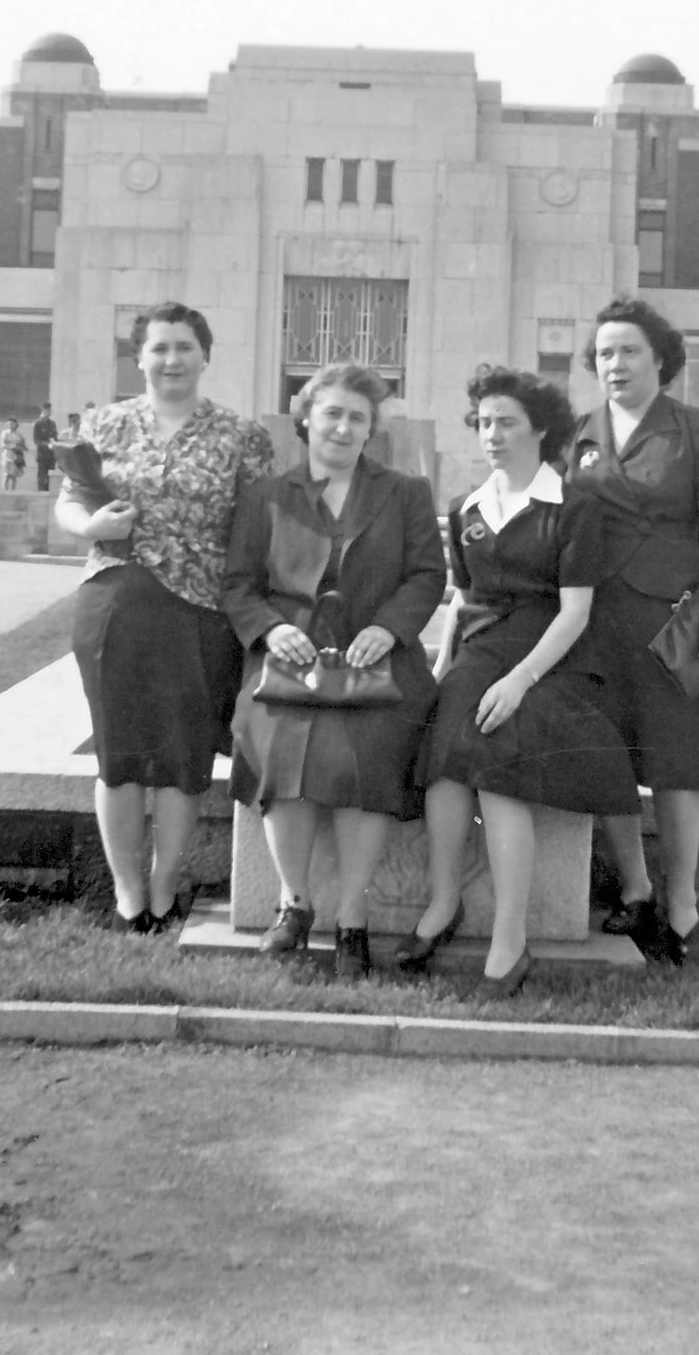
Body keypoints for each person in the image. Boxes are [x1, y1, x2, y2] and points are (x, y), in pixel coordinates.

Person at [401, 366, 640, 997]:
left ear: (540, 427)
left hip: (552, 657)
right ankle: (443, 903)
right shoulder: (465, 509)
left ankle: (510, 940)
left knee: (497, 764)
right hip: (480, 652)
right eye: (483, 423)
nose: (492, 434)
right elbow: (461, 600)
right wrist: (440, 669)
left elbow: (575, 612)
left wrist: (520, 681)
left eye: (506, 421)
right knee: (445, 758)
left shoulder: (575, 507)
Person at [221, 362, 446, 979]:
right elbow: (239, 585)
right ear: (307, 418)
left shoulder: (405, 494)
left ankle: (352, 919)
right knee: (278, 743)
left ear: (371, 429)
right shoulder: (266, 496)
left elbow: (428, 574)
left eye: (357, 418)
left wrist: (389, 628)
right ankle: (294, 902)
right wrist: (272, 628)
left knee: (370, 753)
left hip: (374, 662)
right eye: (332, 414)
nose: (343, 428)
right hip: (289, 663)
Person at [55, 302, 274, 933]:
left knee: (182, 758)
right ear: (140, 357)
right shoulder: (106, 424)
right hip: (116, 600)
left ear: (205, 355)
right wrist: (90, 526)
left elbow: (258, 530)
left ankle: (163, 885)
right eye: (159, 348)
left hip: (202, 612)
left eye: (184, 347)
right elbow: (70, 503)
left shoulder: (242, 437)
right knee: (119, 754)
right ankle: (128, 896)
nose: (171, 359)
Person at [565, 295, 699, 966]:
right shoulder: (579, 434)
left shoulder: (694, 427)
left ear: (659, 358)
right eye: (604, 351)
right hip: (594, 621)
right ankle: (635, 889)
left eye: (629, 349)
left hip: (671, 620)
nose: (614, 362)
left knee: (675, 763)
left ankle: (682, 902)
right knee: (606, 758)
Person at [33, 403, 58, 492]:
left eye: (49, 411)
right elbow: (37, 440)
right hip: (42, 454)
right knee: (42, 476)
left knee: (50, 476)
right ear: (43, 411)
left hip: (51, 455)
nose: (48, 412)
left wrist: (55, 444)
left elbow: (55, 437)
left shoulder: (52, 424)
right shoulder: (38, 424)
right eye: (46, 411)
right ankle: (41, 493)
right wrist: (47, 445)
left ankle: (48, 492)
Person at [0, 418, 27, 490]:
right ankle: (5, 491)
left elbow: (24, 446)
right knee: (6, 475)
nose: (10, 425)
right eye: (9, 424)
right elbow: (2, 445)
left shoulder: (19, 434)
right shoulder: (4, 433)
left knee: (14, 476)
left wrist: (19, 448)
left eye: (12, 424)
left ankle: (12, 491)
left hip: (16, 457)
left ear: (16, 424)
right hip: (7, 456)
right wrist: (10, 446)